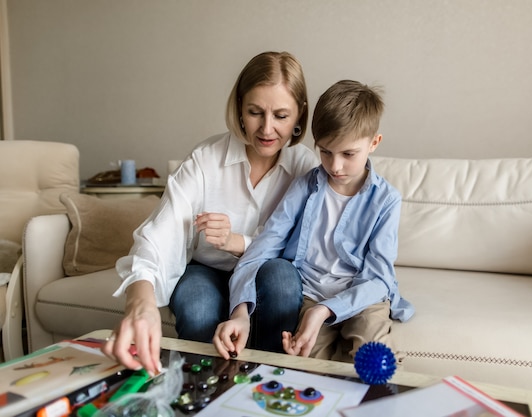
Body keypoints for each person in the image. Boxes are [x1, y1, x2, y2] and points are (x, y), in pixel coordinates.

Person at [101, 51, 319, 376]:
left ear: (300, 113)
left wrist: (238, 241)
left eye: (282, 116)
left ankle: (270, 387)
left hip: (270, 271)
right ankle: (205, 394)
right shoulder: (205, 160)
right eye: (255, 112)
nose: (267, 129)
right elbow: (161, 234)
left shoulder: (307, 168)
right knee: (198, 308)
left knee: (283, 282)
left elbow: (307, 244)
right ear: (240, 108)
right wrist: (140, 301)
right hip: (206, 269)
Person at [213, 80, 414, 361]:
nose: (335, 166)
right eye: (326, 152)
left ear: (374, 143)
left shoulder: (386, 200)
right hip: (312, 293)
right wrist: (241, 310)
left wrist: (324, 311)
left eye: (348, 154)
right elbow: (264, 246)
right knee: (308, 363)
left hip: (362, 297)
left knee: (374, 357)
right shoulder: (304, 186)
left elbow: (379, 278)